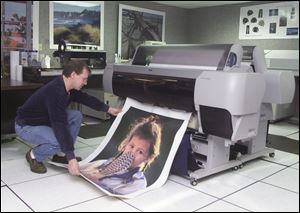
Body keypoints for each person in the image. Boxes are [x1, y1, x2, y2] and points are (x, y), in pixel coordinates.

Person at [15, 61, 121, 175]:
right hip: (26, 125)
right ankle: (34, 155)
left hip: (45, 119)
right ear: (73, 75)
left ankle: (60, 155)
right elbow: (59, 125)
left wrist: (109, 109)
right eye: (84, 79)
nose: (85, 83)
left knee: (76, 116)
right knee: (58, 141)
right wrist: (71, 158)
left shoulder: (69, 88)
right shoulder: (55, 92)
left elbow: (86, 99)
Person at [81, 115, 162, 195]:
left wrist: (98, 183)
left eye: (140, 152)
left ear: (148, 157)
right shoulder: (105, 163)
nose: (132, 153)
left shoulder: (137, 183)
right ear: (126, 144)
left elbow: (119, 199)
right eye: (132, 146)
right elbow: (83, 171)